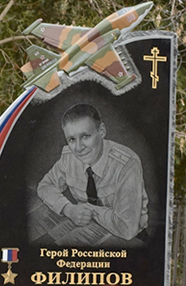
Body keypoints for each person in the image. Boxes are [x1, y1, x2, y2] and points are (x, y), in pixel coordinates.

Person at [37, 103, 148, 241]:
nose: (78, 148)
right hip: (86, 229)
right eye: (71, 139)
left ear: (101, 131)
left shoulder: (127, 164)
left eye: (85, 136)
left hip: (129, 240)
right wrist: (68, 209)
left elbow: (127, 229)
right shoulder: (69, 158)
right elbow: (45, 186)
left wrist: (89, 210)